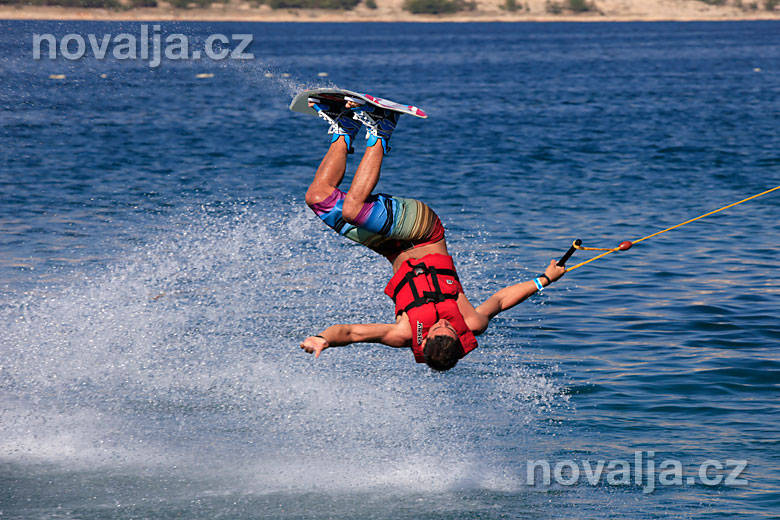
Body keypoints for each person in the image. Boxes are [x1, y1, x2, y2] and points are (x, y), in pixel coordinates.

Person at [299, 95, 566, 371]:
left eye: (435, 329)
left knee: (318, 198)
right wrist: (546, 279)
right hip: (423, 230)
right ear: (459, 339)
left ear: (422, 342)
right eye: (447, 327)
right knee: (352, 211)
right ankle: (382, 128)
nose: (442, 322)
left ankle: (344, 128)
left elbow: (351, 333)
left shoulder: (403, 333)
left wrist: (323, 339)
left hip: (388, 246)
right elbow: (499, 301)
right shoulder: (471, 322)